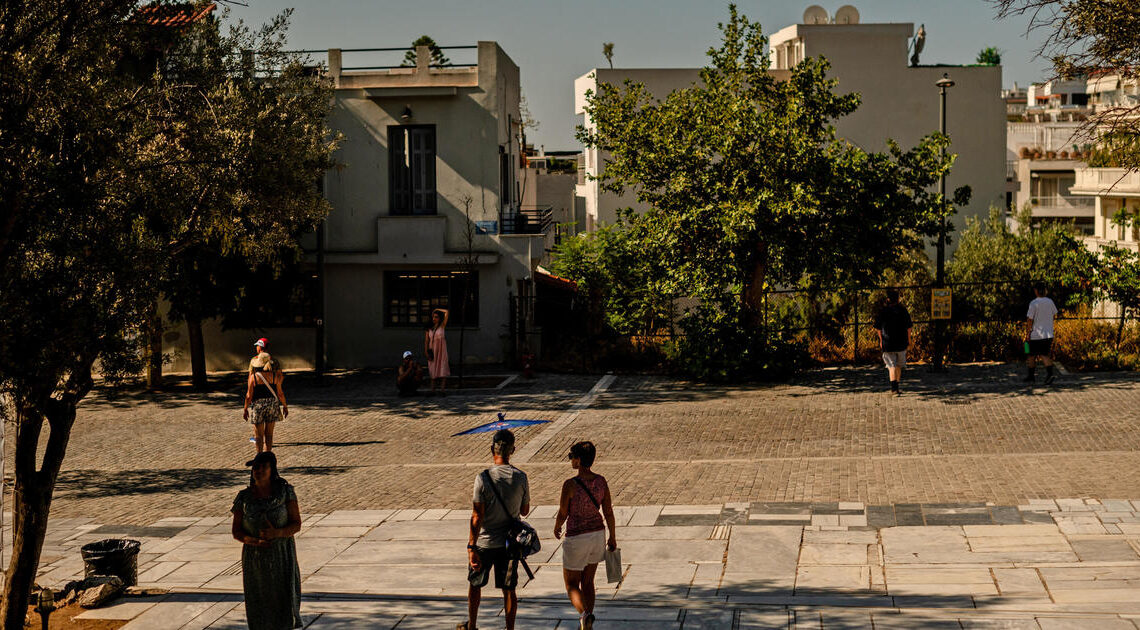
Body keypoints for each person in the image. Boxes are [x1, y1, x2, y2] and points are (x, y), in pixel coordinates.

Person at [459, 429, 530, 630]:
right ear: (513, 450)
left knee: (475, 585)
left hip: (484, 543)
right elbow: (524, 511)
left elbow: (476, 516)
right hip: (509, 544)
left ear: (492, 449)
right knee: (509, 589)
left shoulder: (482, 478)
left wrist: (471, 547)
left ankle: (472, 625)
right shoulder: (521, 477)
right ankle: (509, 628)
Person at [231, 451, 302, 630]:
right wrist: (255, 542)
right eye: (256, 467)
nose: (258, 470)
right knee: (259, 600)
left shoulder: (285, 492)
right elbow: (236, 531)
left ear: (272, 470)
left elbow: (296, 524)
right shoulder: (244, 498)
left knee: (282, 600)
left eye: (263, 467)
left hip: (281, 555)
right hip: (254, 558)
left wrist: (276, 533)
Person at [554, 441, 617, 630]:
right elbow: (608, 512)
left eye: (572, 456)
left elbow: (563, 512)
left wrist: (557, 526)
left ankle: (584, 615)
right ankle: (588, 622)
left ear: (579, 460)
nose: (571, 460)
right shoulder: (601, 481)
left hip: (576, 538)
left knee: (572, 584)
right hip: (597, 534)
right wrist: (612, 537)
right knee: (588, 582)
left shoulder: (570, 485)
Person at [244, 355, 287, 452]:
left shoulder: (253, 377)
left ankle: (259, 457)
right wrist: (285, 406)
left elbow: (248, 396)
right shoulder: (275, 376)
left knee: (258, 435)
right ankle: (268, 456)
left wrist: (245, 409)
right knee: (269, 434)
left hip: (258, 406)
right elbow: (280, 393)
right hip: (272, 405)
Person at [873, 289, 913, 396]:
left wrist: (881, 340)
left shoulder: (883, 311)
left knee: (891, 365)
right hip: (901, 342)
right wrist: (909, 339)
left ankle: (894, 388)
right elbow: (909, 327)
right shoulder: (903, 310)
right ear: (898, 299)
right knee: (899, 365)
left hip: (888, 342)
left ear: (888, 299)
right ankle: (897, 386)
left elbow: (878, 328)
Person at [1026, 282, 1059, 384]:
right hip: (1048, 334)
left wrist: (1028, 332)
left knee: (1031, 355)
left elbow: (1029, 319)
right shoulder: (1050, 302)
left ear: (1036, 291)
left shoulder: (1033, 303)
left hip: (1036, 334)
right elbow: (1055, 314)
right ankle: (1049, 373)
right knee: (1045, 354)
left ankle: (1033, 376)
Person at [425, 308, 450, 395]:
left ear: (440, 318)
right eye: (433, 317)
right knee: (433, 369)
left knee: (442, 368)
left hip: (442, 350)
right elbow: (426, 341)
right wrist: (426, 352)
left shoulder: (442, 326)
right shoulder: (429, 328)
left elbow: (447, 312)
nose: (434, 319)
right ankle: (432, 390)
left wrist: (436, 309)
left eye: (436, 317)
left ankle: (442, 390)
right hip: (432, 350)